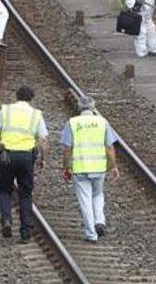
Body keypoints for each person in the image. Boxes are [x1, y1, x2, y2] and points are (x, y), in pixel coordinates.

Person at [0, 86, 48, 243]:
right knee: (25, 194)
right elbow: (43, 139)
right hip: (27, 157)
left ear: (16, 96)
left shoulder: (6, 110)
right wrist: (42, 158)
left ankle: (6, 219)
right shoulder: (36, 114)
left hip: (7, 155)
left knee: (5, 190)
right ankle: (25, 232)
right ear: (31, 98)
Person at [60, 96, 119, 243]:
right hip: (99, 167)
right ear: (93, 108)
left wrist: (66, 167)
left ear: (79, 107)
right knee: (98, 195)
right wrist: (113, 166)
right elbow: (110, 147)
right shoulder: (102, 122)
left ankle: (91, 234)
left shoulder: (72, 123)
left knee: (85, 200)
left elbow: (67, 149)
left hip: (80, 168)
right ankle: (100, 220)